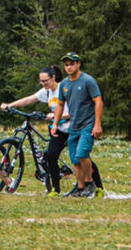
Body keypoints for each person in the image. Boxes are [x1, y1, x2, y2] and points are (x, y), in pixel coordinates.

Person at [1, 66, 104, 197]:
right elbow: (29, 99)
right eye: (41, 81)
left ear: (53, 77)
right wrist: (10, 105)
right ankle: (55, 189)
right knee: (51, 156)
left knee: (83, 156)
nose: (43, 84)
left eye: (46, 81)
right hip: (59, 129)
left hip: (74, 126)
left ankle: (98, 186)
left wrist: (57, 116)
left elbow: (75, 111)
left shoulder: (65, 87)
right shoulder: (47, 91)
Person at [51, 52, 103, 198]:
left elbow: (98, 102)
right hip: (73, 125)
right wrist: (55, 123)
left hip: (88, 124)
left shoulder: (88, 81)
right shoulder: (64, 84)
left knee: (82, 154)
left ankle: (89, 183)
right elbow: (60, 105)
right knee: (75, 158)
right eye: (66, 65)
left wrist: (97, 124)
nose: (69, 67)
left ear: (78, 64)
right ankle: (80, 188)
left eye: (72, 64)